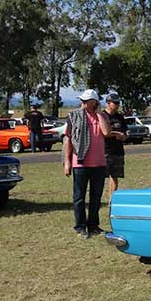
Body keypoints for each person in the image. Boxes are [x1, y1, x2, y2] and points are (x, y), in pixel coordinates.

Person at [64, 89, 112, 238]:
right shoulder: (74, 116)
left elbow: (106, 133)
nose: (83, 103)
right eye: (82, 100)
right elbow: (68, 140)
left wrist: (98, 113)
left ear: (94, 102)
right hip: (80, 163)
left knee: (96, 197)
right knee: (79, 197)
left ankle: (93, 225)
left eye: (86, 101)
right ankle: (80, 226)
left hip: (98, 163)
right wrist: (67, 162)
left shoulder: (102, 117)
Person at [103, 93, 128, 199]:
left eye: (118, 103)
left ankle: (111, 200)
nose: (117, 105)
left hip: (117, 151)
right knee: (100, 177)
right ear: (108, 103)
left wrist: (123, 136)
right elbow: (103, 132)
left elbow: (126, 133)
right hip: (104, 151)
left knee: (115, 176)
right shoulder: (102, 116)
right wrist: (115, 134)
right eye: (115, 103)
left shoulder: (120, 117)